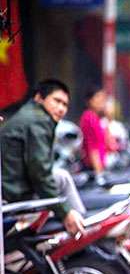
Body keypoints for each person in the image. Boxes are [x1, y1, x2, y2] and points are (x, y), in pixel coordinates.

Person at [0, 79, 85, 235]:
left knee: (60, 176)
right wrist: (65, 212)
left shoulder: (30, 115)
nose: (61, 108)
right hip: (14, 193)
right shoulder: (38, 120)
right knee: (62, 177)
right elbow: (40, 173)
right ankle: (80, 228)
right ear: (39, 98)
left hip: (13, 186)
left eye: (65, 105)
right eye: (57, 101)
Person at [79, 87, 110, 177]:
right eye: (98, 97)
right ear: (90, 100)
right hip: (93, 167)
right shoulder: (89, 118)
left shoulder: (96, 118)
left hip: (99, 164)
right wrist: (99, 173)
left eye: (103, 98)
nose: (101, 101)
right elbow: (92, 148)